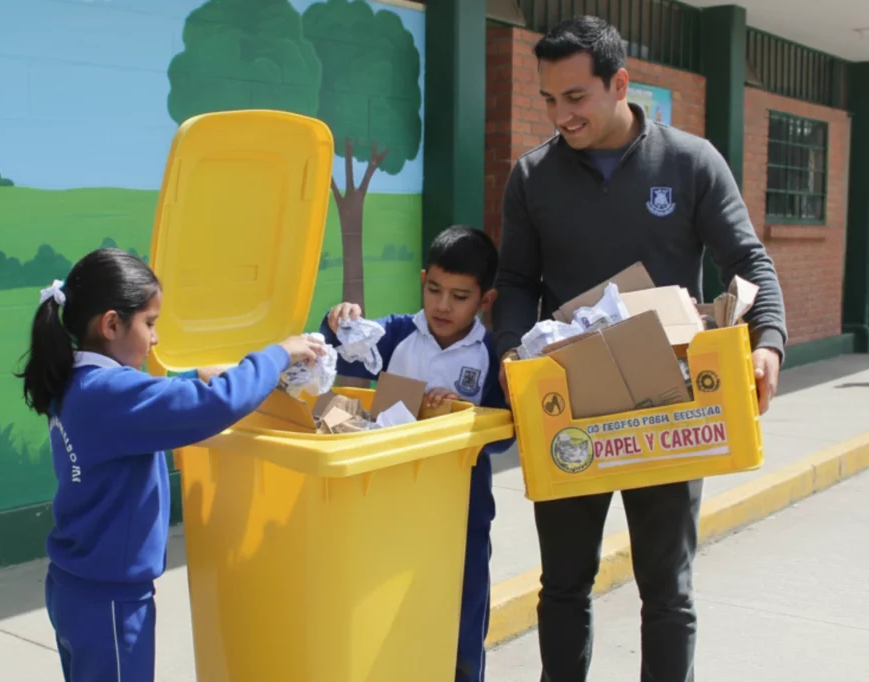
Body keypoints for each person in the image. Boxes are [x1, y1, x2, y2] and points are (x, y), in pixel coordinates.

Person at [491, 16, 787, 682]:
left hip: (671, 404)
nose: (560, 115)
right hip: (571, 404)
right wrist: (511, 351)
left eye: (576, 98)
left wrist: (767, 342)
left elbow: (749, 260)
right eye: (548, 99)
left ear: (619, 83)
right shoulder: (532, 178)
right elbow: (515, 281)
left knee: (667, 591)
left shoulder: (689, 162)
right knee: (563, 584)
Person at [16, 247, 324, 682]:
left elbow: (143, 405)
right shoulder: (110, 394)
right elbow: (216, 405)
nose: (156, 338)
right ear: (111, 324)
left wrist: (191, 376)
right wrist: (277, 355)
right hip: (112, 604)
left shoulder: (74, 381)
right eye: (150, 323)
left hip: (75, 588)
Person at [320, 225, 513, 682]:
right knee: (389, 615)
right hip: (389, 504)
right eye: (434, 289)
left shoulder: (491, 354)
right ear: (423, 279)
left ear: (486, 300)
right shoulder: (393, 335)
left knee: (461, 619)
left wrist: (460, 415)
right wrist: (334, 321)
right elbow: (325, 359)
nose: (443, 305)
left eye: (460, 296)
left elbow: (503, 434)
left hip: (463, 509)